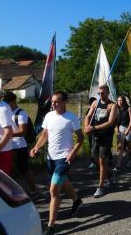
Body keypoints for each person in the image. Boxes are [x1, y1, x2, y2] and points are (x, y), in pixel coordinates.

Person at [30, 91, 84, 235]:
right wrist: (36, 147)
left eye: (56, 101)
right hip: (50, 158)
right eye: (52, 101)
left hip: (64, 159)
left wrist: (73, 152)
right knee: (63, 181)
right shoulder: (48, 116)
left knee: (54, 190)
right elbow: (44, 135)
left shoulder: (71, 118)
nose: (53, 104)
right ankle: (77, 200)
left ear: (64, 102)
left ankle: (51, 226)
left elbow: (81, 138)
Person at [83, 84, 117, 198]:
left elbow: (110, 122)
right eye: (99, 93)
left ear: (108, 93)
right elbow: (88, 116)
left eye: (103, 93)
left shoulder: (112, 105)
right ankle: (109, 172)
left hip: (106, 136)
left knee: (102, 160)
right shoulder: (95, 103)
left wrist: (94, 128)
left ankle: (100, 187)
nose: (101, 95)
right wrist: (86, 126)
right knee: (94, 157)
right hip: (95, 135)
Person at [2, 91, 37, 194]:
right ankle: (12, 191)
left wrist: (7, 135)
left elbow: (22, 132)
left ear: (11, 101)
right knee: (8, 170)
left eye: (5, 102)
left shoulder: (21, 113)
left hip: (19, 146)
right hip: (7, 146)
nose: (3, 105)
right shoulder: (6, 113)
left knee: (24, 170)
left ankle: (34, 190)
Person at [114, 95, 131, 171]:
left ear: (124, 101)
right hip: (121, 128)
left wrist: (128, 130)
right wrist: (117, 130)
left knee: (129, 146)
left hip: (129, 127)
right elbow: (115, 121)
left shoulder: (128, 108)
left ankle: (130, 159)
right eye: (118, 100)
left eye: (121, 100)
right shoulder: (116, 109)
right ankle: (118, 165)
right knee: (120, 147)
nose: (120, 102)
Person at [86, 97, 97, 169]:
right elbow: (87, 118)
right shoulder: (88, 111)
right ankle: (93, 161)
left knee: (95, 147)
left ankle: (97, 161)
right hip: (91, 131)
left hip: (97, 130)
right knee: (91, 146)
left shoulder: (98, 111)